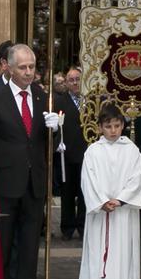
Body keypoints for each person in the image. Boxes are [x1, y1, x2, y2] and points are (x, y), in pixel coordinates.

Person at [0, 44, 61, 279]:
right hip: (5, 183)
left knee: (29, 248)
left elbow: (45, 143)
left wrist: (56, 128)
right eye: (24, 67)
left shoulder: (43, 96)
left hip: (34, 183)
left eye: (32, 67)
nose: (29, 73)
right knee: (1, 248)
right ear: (9, 68)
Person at [78, 104, 141, 279]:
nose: (113, 130)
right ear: (99, 128)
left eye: (117, 126)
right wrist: (101, 201)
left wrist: (120, 200)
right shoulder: (93, 151)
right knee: (98, 251)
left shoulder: (132, 150)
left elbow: (137, 177)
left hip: (123, 212)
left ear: (123, 125)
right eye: (108, 126)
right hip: (101, 212)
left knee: (124, 251)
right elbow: (88, 179)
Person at [54, 66, 88, 239]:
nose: (75, 83)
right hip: (66, 154)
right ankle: (67, 227)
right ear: (66, 83)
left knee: (84, 193)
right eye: (71, 80)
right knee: (67, 192)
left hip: (86, 154)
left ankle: (83, 226)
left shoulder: (90, 101)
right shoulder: (60, 102)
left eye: (78, 79)